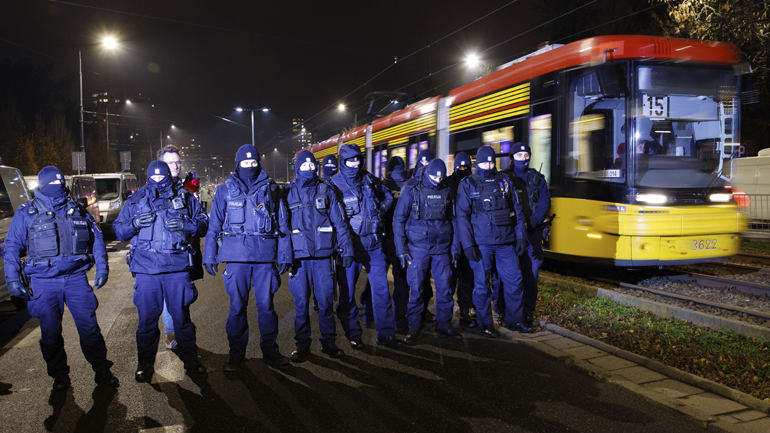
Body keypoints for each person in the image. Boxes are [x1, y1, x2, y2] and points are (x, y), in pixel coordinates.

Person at [4, 166, 117, 391]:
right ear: (42, 186)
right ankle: (59, 375)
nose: (57, 187)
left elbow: (96, 239)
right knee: (51, 333)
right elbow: (12, 246)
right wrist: (12, 278)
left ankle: (102, 369)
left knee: (89, 328)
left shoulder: (76, 209)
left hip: (75, 278)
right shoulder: (27, 212)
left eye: (59, 183)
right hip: (43, 282)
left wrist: (102, 267)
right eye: (51, 184)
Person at [114, 160, 209, 382]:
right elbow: (119, 231)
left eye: (162, 177)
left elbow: (204, 224)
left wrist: (187, 225)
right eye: (154, 178)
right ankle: (145, 363)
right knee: (147, 321)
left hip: (176, 267)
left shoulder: (185, 197)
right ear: (147, 178)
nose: (159, 181)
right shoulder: (135, 200)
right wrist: (134, 223)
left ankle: (190, 359)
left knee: (181, 319)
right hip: (146, 270)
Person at [203, 144, 292, 371]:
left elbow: (282, 224)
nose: (250, 166)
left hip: (264, 257)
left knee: (267, 308)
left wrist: (284, 254)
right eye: (245, 163)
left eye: (254, 163)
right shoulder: (224, 190)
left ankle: (271, 351)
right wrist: (209, 255)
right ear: (237, 163)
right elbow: (214, 225)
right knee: (237, 308)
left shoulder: (272, 189)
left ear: (259, 163)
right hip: (237, 258)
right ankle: (236, 355)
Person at [284, 150, 354, 361]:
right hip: (299, 258)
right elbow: (281, 227)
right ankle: (302, 345)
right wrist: (282, 256)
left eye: (312, 165)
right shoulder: (287, 193)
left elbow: (340, 222)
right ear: (297, 169)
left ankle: (328, 343)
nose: (310, 169)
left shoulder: (327, 190)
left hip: (323, 257)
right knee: (301, 305)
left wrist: (347, 248)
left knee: (325, 303)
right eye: (304, 166)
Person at [330, 144, 402, 349]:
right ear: (342, 162)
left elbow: (387, 195)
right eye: (351, 160)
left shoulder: (370, 179)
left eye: (358, 159)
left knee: (381, 291)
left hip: (374, 246)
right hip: (349, 248)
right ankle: (353, 333)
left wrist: (383, 207)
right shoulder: (334, 185)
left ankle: (386, 334)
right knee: (347, 293)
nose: (356, 164)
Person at [456, 146, 530, 337]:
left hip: (506, 243)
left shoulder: (505, 181)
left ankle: (515, 320)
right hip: (481, 245)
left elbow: (518, 211)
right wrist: (468, 245)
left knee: (514, 281)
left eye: (491, 162)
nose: (488, 165)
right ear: (476, 163)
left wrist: (521, 236)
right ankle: (485, 323)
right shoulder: (468, 184)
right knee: (482, 285)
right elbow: (462, 217)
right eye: (484, 162)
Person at [393, 158, 462, 344]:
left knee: (445, 289)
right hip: (417, 248)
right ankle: (414, 327)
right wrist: (401, 249)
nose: (438, 180)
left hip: (442, 248)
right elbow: (398, 219)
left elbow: (454, 219)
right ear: (426, 173)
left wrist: (455, 247)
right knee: (416, 290)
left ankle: (444, 326)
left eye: (441, 177)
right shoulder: (412, 188)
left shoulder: (447, 189)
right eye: (434, 176)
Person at [157, 145, 205, 351]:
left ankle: (181, 328)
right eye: (169, 162)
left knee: (183, 296)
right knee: (169, 298)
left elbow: (202, 222)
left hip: (184, 254)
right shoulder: (151, 191)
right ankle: (172, 333)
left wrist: (190, 225)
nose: (175, 166)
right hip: (161, 256)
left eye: (177, 162)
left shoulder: (186, 192)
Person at [509, 143, 551, 328]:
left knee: (531, 275)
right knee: (510, 276)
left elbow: (544, 202)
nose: (524, 158)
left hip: (532, 234)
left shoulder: (538, 178)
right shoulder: (504, 178)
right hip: (511, 235)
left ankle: (528, 312)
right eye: (519, 154)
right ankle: (508, 312)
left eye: (526, 154)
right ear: (512, 157)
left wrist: (533, 221)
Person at [445, 152, 476, 328]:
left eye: (466, 167)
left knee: (467, 277)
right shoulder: (448, 183)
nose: (463, 170)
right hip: (451, 237)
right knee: (450, 277)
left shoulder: (473, 182)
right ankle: (446, 315)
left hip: (469, 237)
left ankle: (464, 310)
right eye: (460, 167)